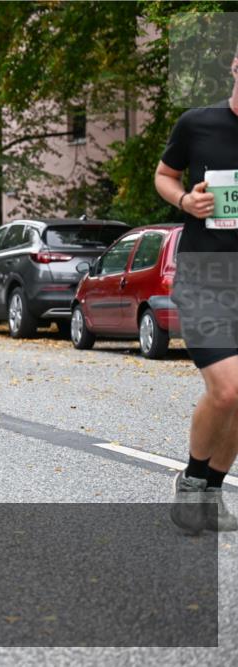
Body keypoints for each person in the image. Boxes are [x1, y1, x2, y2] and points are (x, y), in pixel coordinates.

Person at [156, 45, 238, 534]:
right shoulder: (197, 124)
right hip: (206, 274)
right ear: (235, 66)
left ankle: (212, 491)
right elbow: (165, 176)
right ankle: (190, 482)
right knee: (228, 389)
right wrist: (186, 199)